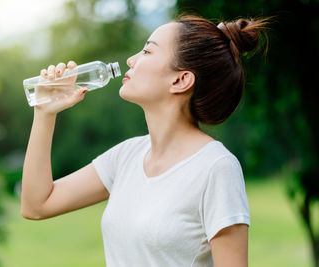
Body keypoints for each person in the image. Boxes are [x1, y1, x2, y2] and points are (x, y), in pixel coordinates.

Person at [21, 14, 270, 267]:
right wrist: (44, 113)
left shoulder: (215, 167)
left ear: (180, 80)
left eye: (147, 51)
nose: (131, 60)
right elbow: (37, 205)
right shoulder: (126, 156)